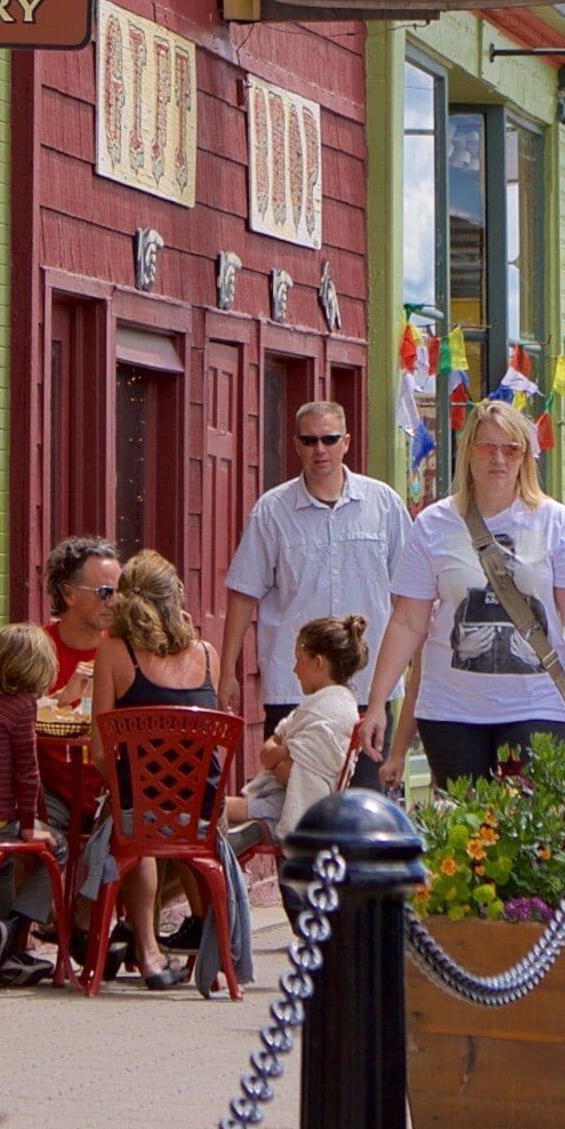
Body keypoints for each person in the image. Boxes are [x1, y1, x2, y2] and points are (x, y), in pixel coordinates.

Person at [366, 399, 565, 784]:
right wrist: (376, 704)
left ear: (525, 458)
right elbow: (407, 621)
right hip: (451, 707)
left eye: (511, 449)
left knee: (530, 829)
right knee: (464, 831)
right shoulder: (435, 524)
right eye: (487, 447)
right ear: (468, 452)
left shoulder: (554, 522)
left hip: (536, 701)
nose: (498, 459)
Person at [218, 401, 416, 794]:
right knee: (297, 801)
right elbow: (243, 592)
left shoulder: (383, 504)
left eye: (328, 439)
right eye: (310, 441)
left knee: (364, 805)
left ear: (346, 442)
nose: (319, 450)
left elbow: (412, 598)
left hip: (369, 686)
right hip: (296, 687)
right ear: (296, 446)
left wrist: (418, 671)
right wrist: (227, 670)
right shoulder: (272, 512)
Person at [93, 551, 221, 989]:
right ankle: (206, 935)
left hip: (141, 807)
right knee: (178, 827)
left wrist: (118, 796)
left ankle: (148, 951)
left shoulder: (113, 651)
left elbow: (98, 751)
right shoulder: (208, 655)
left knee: (138, 824)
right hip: (200, 812)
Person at [0, 624, 62, 987]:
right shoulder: (22, 706)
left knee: (2, 868)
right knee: (59, 848)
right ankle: (13, 929)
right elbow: (27, 771)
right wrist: (29, 823)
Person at [226, 614, 365, 844]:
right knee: (214, 811)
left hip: (295, 808)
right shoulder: (314, 708)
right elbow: (268, 753)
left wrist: (283, 752)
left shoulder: (331, 713)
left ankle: (248, 835)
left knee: (212, 811)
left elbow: (292, 774)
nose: (294, 669)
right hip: (278, 797)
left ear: (318, 662)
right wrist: (289, 751)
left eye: (299, 659)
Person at [42, 535, 123, 700]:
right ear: (69, 593)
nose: (114, 602)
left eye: (121, 592)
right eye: (105, 593)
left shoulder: (126, 650)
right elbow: (8, 716)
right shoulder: (35, 650)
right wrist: (62, 700)